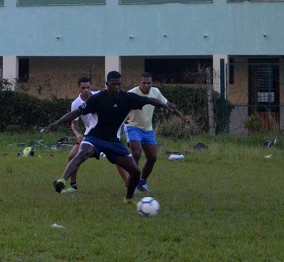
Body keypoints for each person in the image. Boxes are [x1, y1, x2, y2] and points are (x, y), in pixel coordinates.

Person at [43, 71, 186, 203]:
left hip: (113, 141)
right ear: (107, 84)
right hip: (95, 137)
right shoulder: (97, 99)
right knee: (82, 153)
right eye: (113, 84)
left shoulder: (127, 98)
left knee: (135, 172)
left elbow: (150, 100)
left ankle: (128, 199)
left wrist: (166, 106)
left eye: (119, 84)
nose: (117, 87)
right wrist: (57, 123)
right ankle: (62, 180)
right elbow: (76, 113)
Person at [124, 72, 191, 193]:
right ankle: (131, 184)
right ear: (139, 83)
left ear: (152, 83)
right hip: (132, 127)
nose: (146, 85)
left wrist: (182, 117)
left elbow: (167, 106)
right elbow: (122, 107)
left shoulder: (156, 92)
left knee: (153, 157)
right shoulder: (131, 93)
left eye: (149, 83)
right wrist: (123, 117)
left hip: (147, 129)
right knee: (136, 153)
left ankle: (142, 182)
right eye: (144, 83)